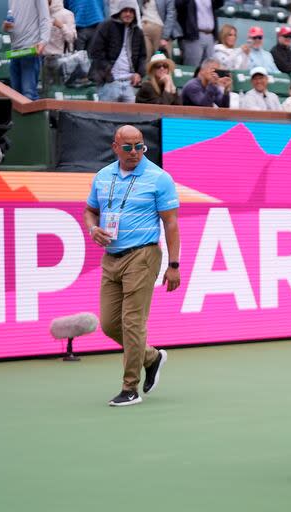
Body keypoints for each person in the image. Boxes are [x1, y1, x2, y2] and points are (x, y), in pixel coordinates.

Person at [83, 125, 180, 407]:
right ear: (115, 147)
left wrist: (173, 264)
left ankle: (130, 389)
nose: (135, 152)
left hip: (143, 255)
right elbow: (90, 211)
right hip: (111, 257)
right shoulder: (103, 177)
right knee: (110, 324)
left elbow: (171, 223)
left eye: (139, 146)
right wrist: (92, 229)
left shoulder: (159, 178)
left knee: (132, 322)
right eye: (128, 147)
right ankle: (151, 357)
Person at [89, 0, 146, 103]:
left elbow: (142, 56)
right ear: (119, 12)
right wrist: (108, 72)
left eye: (131, 11)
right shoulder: (106, 26)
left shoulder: (138, 32)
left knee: (131, 118)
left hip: (129, 83)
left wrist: (139, 73)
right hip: (109, 82)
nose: (128, 14)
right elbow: (95, 52)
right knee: (106, 117)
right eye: (125, 11)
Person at [4, 0, 50, 101]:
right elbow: (12, 23)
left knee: (28, 95)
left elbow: (45, 18)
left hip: (30, 48)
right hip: (15, 51)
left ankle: (34, 116)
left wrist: (43, 41)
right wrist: (7, 27)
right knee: (15, 97)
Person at [175, 0, 223, 67]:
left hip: (210, 35)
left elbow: (220, 3)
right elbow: (177, 4)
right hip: (193, 36)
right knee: (192, 67)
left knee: (210, 68)